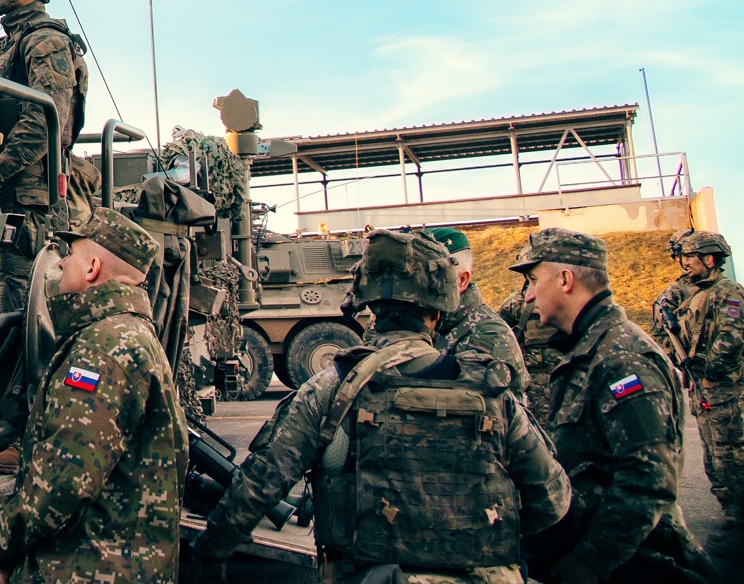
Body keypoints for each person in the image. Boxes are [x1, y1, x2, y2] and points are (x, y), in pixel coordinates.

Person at [190, 229, 570, 584]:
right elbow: (551, 501)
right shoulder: (491, 389)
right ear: (439, 310)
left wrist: (210, 554)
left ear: (369, 306)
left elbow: (260, 483)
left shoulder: (333, 387)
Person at [0, 207, 187, 583]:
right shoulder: (129, 334)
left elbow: (61, 482)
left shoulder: (101, 349)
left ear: (92, 267)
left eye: (71, 255)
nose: (61, 264)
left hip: (87, 569)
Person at [512, 228, 716, 583]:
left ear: (565, 279)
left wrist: (588, 563)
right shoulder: (588, 350)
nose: (528, 296)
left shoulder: (622, 357)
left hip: (638, 565)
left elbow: (648, 480)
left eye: (532, 280)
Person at [0, 0, 89, 313]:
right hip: (7, 195)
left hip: (29, 202)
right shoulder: (10, 43)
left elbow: (45, 123)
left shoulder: (44, 41)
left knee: (21, 301)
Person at [671, 231, 744, 577]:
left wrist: (706, 370)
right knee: (716, 463)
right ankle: (734, 521)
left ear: (711, 259)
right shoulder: (697, 295)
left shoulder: (728, 293)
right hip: (706, 393)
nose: (685, 263)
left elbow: (732, 339)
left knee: (733, 458)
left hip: (726, 394)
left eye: (691, 257)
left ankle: (737, 528)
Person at [425, 226, 530, 398]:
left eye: (431, 275)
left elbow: (499, 417)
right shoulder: (419, 320)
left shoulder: (490, 339)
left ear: (461, 280)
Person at [497, 282, 563, 426]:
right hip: (533, 382)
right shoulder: (516, 303)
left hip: (562, 379)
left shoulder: (566, 300)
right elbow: (498, 332)